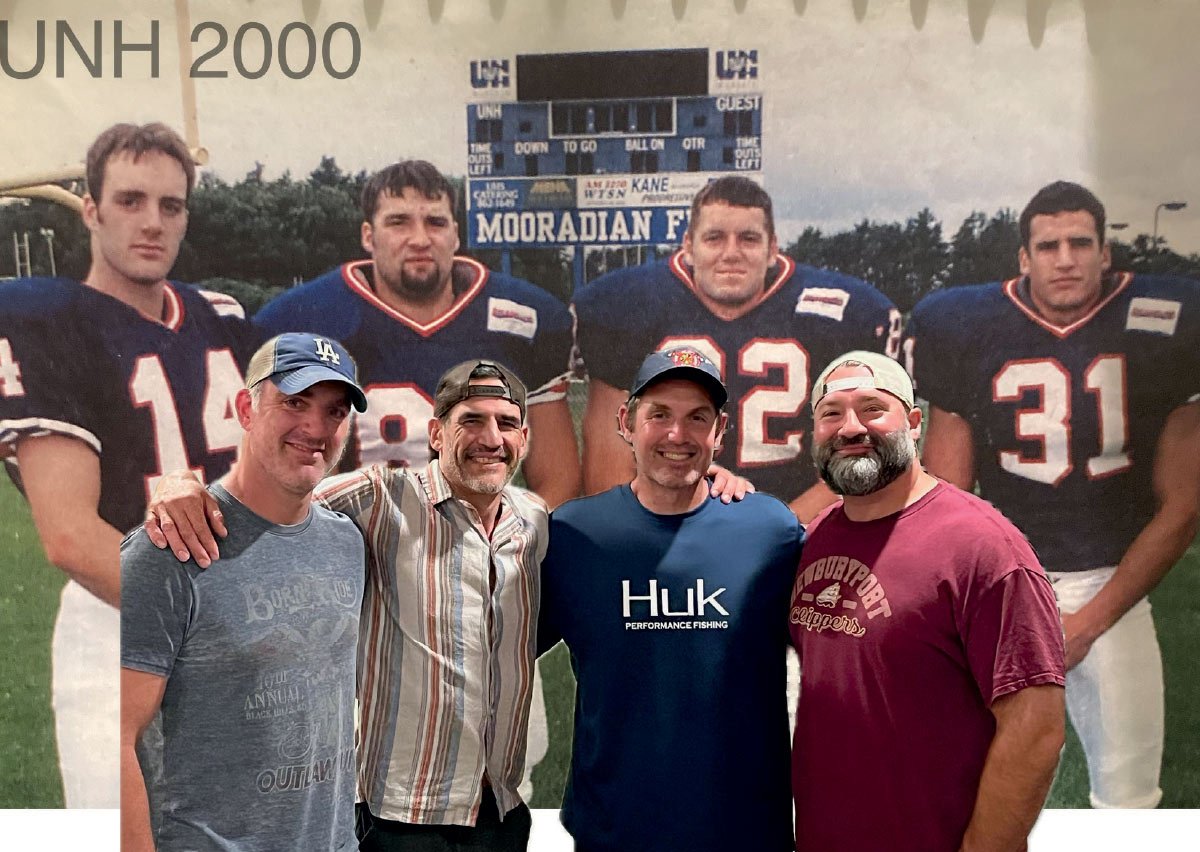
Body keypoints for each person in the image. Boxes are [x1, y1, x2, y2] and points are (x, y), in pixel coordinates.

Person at [905, 181, 1200, 809]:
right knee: (973, 791)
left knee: (1128, 799)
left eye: (1079, 243)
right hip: (1006, 586)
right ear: (1023, 258)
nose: (1064, 258)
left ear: (1105, 252)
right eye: (1048, 245)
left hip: (1109, 584)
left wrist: (1087, 625)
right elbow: (946, 496)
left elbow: (1183, 506)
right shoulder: (965, 325)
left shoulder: (1165, 321)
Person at [0, 122, 260, 807]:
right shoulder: (51, 320)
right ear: (89, 207)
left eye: (170, 206)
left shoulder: (222, 318)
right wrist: (217, 611)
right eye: (130, 200)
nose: (152, 223)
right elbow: (67, 535)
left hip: (240, 624)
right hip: (122, 626)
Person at [792, 351, 1065, 851]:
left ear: (914, 423)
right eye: (831, 413)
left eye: (873, 408)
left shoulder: (984, 548)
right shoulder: (814, 540)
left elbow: (1036, 728)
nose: (851, 427)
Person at [538, 346, 804, 852]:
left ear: (720, 432)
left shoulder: (771, 530)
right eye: (659, 414)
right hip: (616, 830)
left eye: (697, 418)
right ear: (626, 421)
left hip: (747, 832)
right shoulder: (574, 534)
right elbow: (498, 646)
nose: (677, 435)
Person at [121, 332, 367, 851]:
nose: (315, 427)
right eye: (294, 402)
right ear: (245, 409)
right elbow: (118, 734)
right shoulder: (168, 548)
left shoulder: (348, 541)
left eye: (334, 411)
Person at [254, 159, 581, 508]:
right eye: (399, 222)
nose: (420, 239)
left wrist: (504, 550)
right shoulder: (307, 320)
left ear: (455, 234)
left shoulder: (521, 320)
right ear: (369, 235)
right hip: (356, 550)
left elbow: (558, 482)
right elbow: (279, 482)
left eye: (435, 222)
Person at [572, 175, 901, 521]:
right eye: (714, 238)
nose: (731, 254)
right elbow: (609, 474)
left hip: (800, 523)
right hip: (666, 521)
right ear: (688, 245)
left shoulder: (840, 315)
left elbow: (862, 454)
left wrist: (781, 530)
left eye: (748, 238)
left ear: (773, 248)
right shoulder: (625, 305)